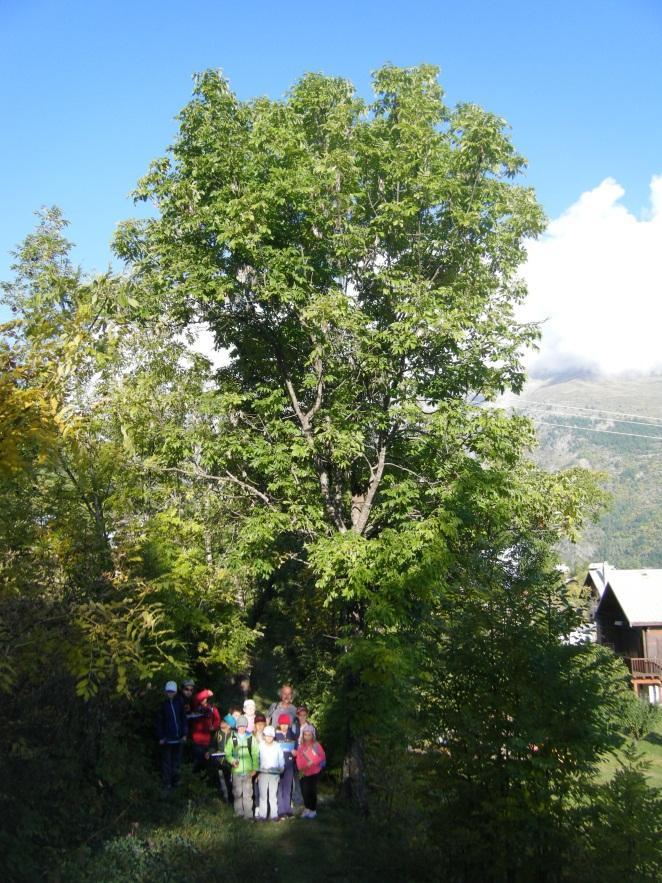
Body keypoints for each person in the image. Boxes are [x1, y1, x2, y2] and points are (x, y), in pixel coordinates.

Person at [155, 680, 188, 793]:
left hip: (178, 739)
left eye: (172, 692)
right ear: (165, 692)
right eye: (168, 691)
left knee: (177, 762)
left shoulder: (179, 703)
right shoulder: (162, 705)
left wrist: (184, 734)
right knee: (167, 763)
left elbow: (183, 719)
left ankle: (176, 783)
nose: (170, 693)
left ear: (175, 692)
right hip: (167, 740)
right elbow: (159, 722)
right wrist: (161, 737)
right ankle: (167, 784)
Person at [225, 715, 259, 818]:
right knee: (237, 793)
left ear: (246, 727)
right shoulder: (233, 738)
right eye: (240, 726)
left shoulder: (251, 739)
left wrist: (255, 768)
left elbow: (255, 754)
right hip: (236, 771)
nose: (242, 728)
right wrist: (232, 761)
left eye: (244, 726)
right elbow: (227, 753)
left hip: (248, 771)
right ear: (237, 727)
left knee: (248, 794)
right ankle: (239, 812)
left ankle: (248, 814)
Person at [295, 724, 326, 819]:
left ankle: (313, 809)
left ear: (313, 735)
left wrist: (312, 761)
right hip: (304, 772)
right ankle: (307, 808)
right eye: (305, 734)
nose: (307, 737)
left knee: (311, 791)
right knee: (304, 791)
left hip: (314, 772)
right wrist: (301, 767)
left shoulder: (316, 745)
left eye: (309, 735)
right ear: (302, 735)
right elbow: (298, 758)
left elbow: (322, 757)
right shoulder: (300, 746)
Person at [256, 725, 284, 821]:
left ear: (274, 736)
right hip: (263, 773)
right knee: (263, 795)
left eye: (271, 736)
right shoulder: (260, 746)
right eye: (267, 735)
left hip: (274, 774)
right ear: (264, 735)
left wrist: (281, 768)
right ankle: (262, 815)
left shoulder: (277, 746)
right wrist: (257, 771)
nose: (269, 737)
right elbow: (257, 759)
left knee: (273, 795)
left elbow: (281, 758)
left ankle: (274, 815)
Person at [190, 688, 221, 772]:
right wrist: (206, 692)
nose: (204, 700)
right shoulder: (196, 707)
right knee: (197, 761)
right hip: (197, 739)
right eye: (203, 698)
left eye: (206, 698)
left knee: (207, 761)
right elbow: (196, 698)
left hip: (208, 740)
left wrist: (213, 727)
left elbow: (217, 719)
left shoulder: (211, 708)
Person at [275, 713, 297, 818]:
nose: (284, 726)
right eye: (282, 724)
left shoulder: (292, 734)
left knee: (288, 787)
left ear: (289, 724)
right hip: (278, 765)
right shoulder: (275, 735)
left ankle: (288, 809)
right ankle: (280, 810)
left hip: (289, 764)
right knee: (279, 787)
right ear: (279, 724)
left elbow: (296, 747)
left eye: (286, 724)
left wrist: (295, 752)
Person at [210, 714, 235, 803]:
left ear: (229, 725)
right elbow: (213, 745)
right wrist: (209, 752)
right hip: (217, 760)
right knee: (217, 779)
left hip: (228, 762)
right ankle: (221, 798)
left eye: (224, 722)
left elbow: (236, 748)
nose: (222, 723)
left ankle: (230, 800)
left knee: (229, 781)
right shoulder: (217, 733)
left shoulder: (233, 735)